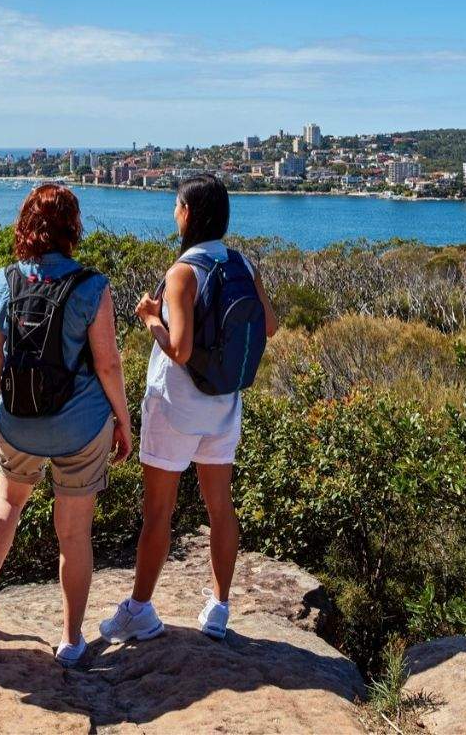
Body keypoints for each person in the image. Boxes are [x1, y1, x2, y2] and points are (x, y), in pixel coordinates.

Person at [99, 173, 276, 644]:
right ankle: (219, 607)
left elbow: (177, 349)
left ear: (188, 214)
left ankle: (140, 610)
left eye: (176, 205)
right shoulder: (242, 264)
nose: (173, 213)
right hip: (222, 405)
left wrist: (150, 318)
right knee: (221, 507)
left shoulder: (182, 272)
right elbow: (271, 326)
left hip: (175, 407)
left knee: (159, 512)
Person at [0, 184, 133, 666]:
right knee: (74, 532)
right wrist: (123, 421)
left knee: (5, 504)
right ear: (71, 228)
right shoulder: (92, 286)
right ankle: (70, 639)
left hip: (16, 421)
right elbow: (109, 366)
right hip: (79, 426)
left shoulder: (0, 282)